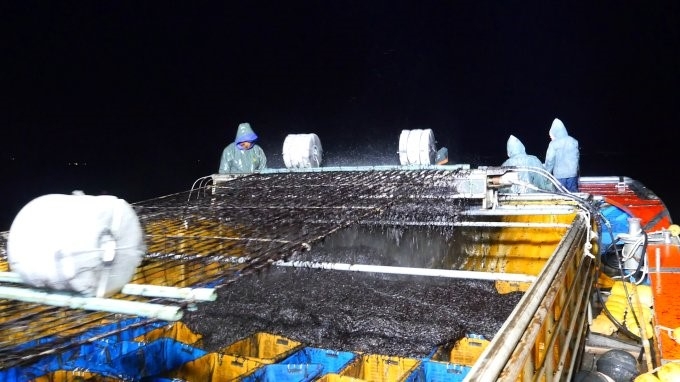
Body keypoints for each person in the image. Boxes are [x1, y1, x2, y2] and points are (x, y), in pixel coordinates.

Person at [543, 118, 580, 192]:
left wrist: (546, 174)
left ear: (555, 132)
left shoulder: (553, 144)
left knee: (561, 195)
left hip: (559, 176)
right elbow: (577, 158)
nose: (551, 137)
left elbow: (550, 161)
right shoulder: (574, 141)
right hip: (573, 174)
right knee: (574, 195)